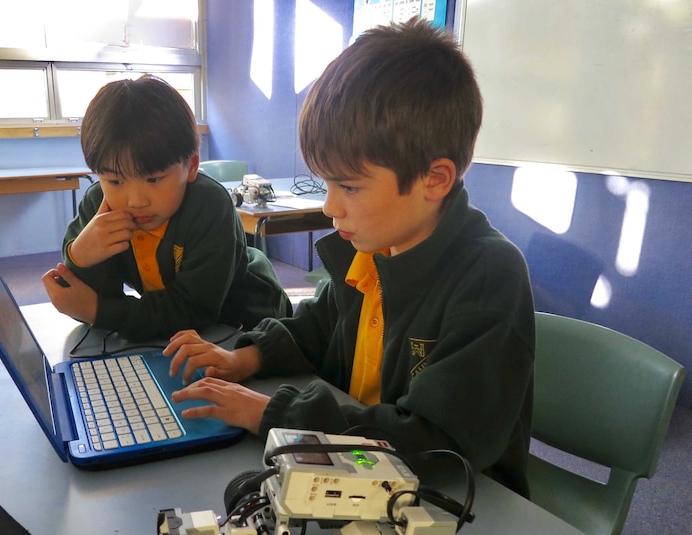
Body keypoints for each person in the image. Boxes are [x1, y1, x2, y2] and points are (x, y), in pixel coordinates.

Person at [165, 19, 535, 497]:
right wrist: (244, 357)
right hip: (356, 470)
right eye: (326, 183)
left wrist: (272, 415)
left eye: (349, 186)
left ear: (435, 179)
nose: (329, 206)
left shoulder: (488, 277)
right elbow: (320, 329)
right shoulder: (375, 247)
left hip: (457, 504)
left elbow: (438, 443)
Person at [42, 76, 291, 341]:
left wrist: (98, 311)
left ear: (191, 166)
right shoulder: (99, 204)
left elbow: (193, 313)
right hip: (173, 335)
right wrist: (81, 257)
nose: (136, 200)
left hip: (249, 324)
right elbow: (85, 302)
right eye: (115, 181)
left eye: (153, 179)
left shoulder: (209, 206)